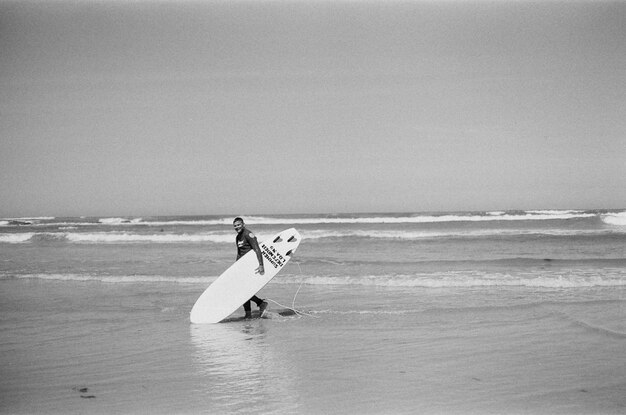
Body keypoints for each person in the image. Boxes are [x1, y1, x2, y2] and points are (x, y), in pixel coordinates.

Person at [233, 217, 268, 319]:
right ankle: (248, 313)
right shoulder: (238, 237)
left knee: (243, 290)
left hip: (250, 266)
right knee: (242, 289)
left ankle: (260, 303)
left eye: (238, 225)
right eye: (235, 226)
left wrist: (261, 265)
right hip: (242, 267)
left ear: (243, 224)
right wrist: (236, 267)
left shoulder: (248, 234)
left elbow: (257, 249)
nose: (237, 227)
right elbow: (239, 253)